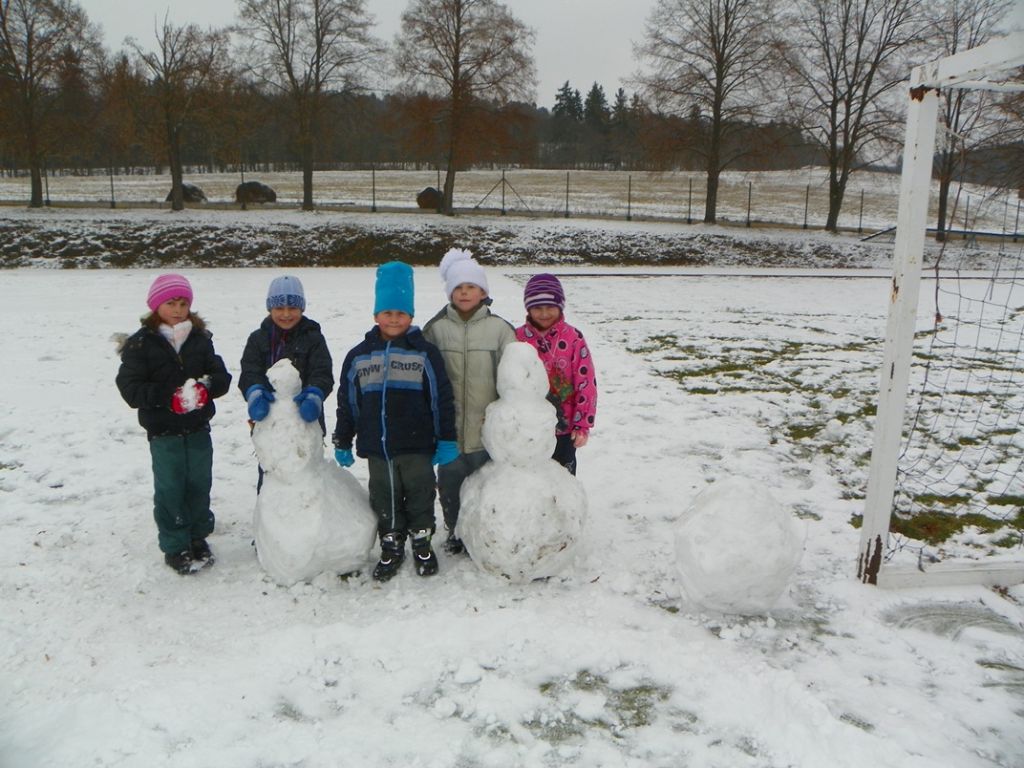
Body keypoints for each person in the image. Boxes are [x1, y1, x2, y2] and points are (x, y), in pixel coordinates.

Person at [333, 261, 458, 582]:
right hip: (378, 447)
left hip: (417, 444)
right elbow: (348, 402)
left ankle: (422, 542)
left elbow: (441, 399)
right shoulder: (359, 356)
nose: (393, 319)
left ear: (411, 316)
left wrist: (446, 438)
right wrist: (343, 439)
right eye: (387, 312)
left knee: (420, 494)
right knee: (383, 496)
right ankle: (391, 544)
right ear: (376, 315)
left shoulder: (424, 354)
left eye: (401, 313)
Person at [115, 273, 232, 575]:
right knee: (170, 486)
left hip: (197, 428)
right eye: (171, 303)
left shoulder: (200, 339)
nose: (178, 310)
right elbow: (130, 388)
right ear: (156, 306)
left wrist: (207, 388)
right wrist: (168, 397)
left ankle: (197, 536)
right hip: (163, 430)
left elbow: (220, 375)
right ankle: (175, 543)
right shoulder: (141, 344)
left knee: (198, 483)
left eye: (183, 304)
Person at [423, 248, 516, 555]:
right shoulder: (436, 329)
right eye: (458, 287)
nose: (464, 293)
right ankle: (455, 531)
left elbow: (513, 377)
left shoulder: (500, 330)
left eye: (471, 287)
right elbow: (425, 375)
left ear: (483, 292)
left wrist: (504, 415)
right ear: (450, 292)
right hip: (448, 430)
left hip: (485, 429)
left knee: (487, 484)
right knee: (450, 485)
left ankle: (486, 532)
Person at [239, 275, 333, 490]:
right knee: (271, 468)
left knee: (306, 470)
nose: (286, 314)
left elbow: (322, 372)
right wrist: (255, 392)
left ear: (302, 308)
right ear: (270, 308)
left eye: (292, 307)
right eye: (279, 308)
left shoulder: (313, 338)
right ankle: (269, 505)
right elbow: (249, 371)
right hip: (270, 418)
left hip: (305, 417)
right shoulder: (258, 339)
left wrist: (314, 394)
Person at [515, 273, 597, 475]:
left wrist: (582, 424)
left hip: (565, 428)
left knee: (562, 478)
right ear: (528, 308)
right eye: (537, 308)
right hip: (529, 427)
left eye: (550, 307)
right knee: (531, 477)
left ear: (560, 306)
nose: (544, 313)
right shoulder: (517, 338)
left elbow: (586, 382)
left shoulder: (573, 338)